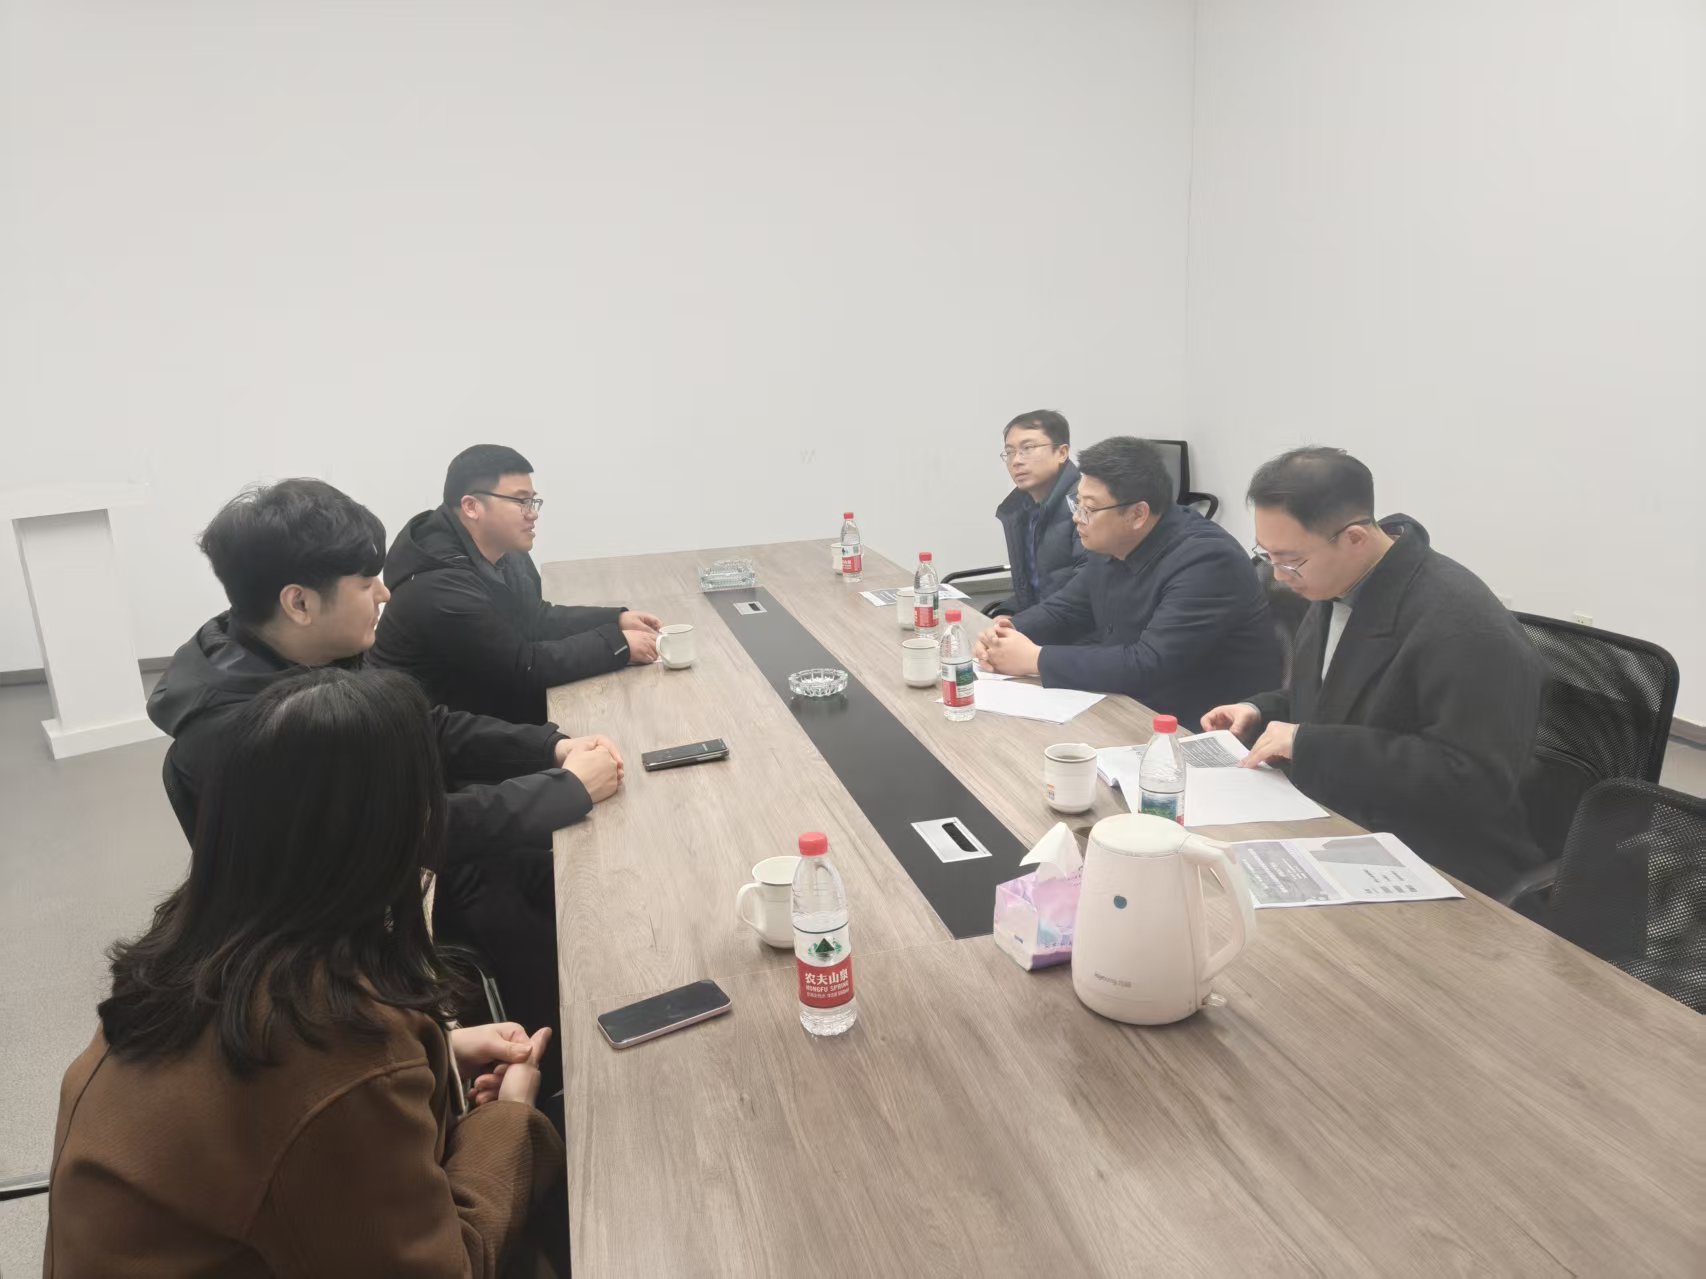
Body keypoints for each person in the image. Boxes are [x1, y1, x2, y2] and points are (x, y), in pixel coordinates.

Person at [48, 669, 566, 1276]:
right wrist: (509, 1116)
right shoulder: (332, 1036)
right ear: (391, 833)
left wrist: (438, 1055)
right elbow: (451, 1267)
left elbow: (259, 1105)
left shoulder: (186, 957)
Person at [146, 478, 617, 1094]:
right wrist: (567, 790)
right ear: (299, 602)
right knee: (537, 901)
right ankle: (550, 1089)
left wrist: (549, 747)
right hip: (334, 965)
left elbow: (422, 724)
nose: (385, 592)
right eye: (366, 581)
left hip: (371, 906)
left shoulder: (287, 650)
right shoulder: (269, 732)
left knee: (547, 870)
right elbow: (410, 833)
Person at [1200, 446, 1544, 896]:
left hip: (1435, 858)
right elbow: (1342, 696)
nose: (1279, 576)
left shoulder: (1463, 627)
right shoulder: (1338, 582)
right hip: (1339, 814)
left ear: (1355, 538)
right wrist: (1261, 711)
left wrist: (1308, 744)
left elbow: (1473, 779)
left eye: (1289, 560)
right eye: (1267, 556)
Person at [975, 436, 1281, 727]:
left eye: (1089, 508)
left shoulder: (1207, 561)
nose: (1077, 517)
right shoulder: (1111, 542)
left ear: (1137, 514)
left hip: (1196, 726)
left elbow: (1148, 663)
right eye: (1076, 503)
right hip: (1131, 706)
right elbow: (1068, 608)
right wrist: (1008, 632)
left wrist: (1035, 659)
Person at [372, 443, 663, 724]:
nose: (532, 513)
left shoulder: (501, 547)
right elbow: (523, 666)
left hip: (488, 707)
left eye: (532, 501)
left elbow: (534, 618)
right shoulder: (440, 585)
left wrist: (615, 619)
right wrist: (617, 645)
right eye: (521, 501)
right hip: (436, 736)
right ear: (471, 506)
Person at [990, 410, 1086, 616]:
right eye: (1010, 452)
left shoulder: (1085, 505)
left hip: (1076, 630)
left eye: (1028, 448)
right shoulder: (1021, 509)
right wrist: (1005, 613)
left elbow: (1085, 591)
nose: (1016, 460)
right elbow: (1034, 589)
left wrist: (1021, 624)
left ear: (1062, 453)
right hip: (1040, 623)